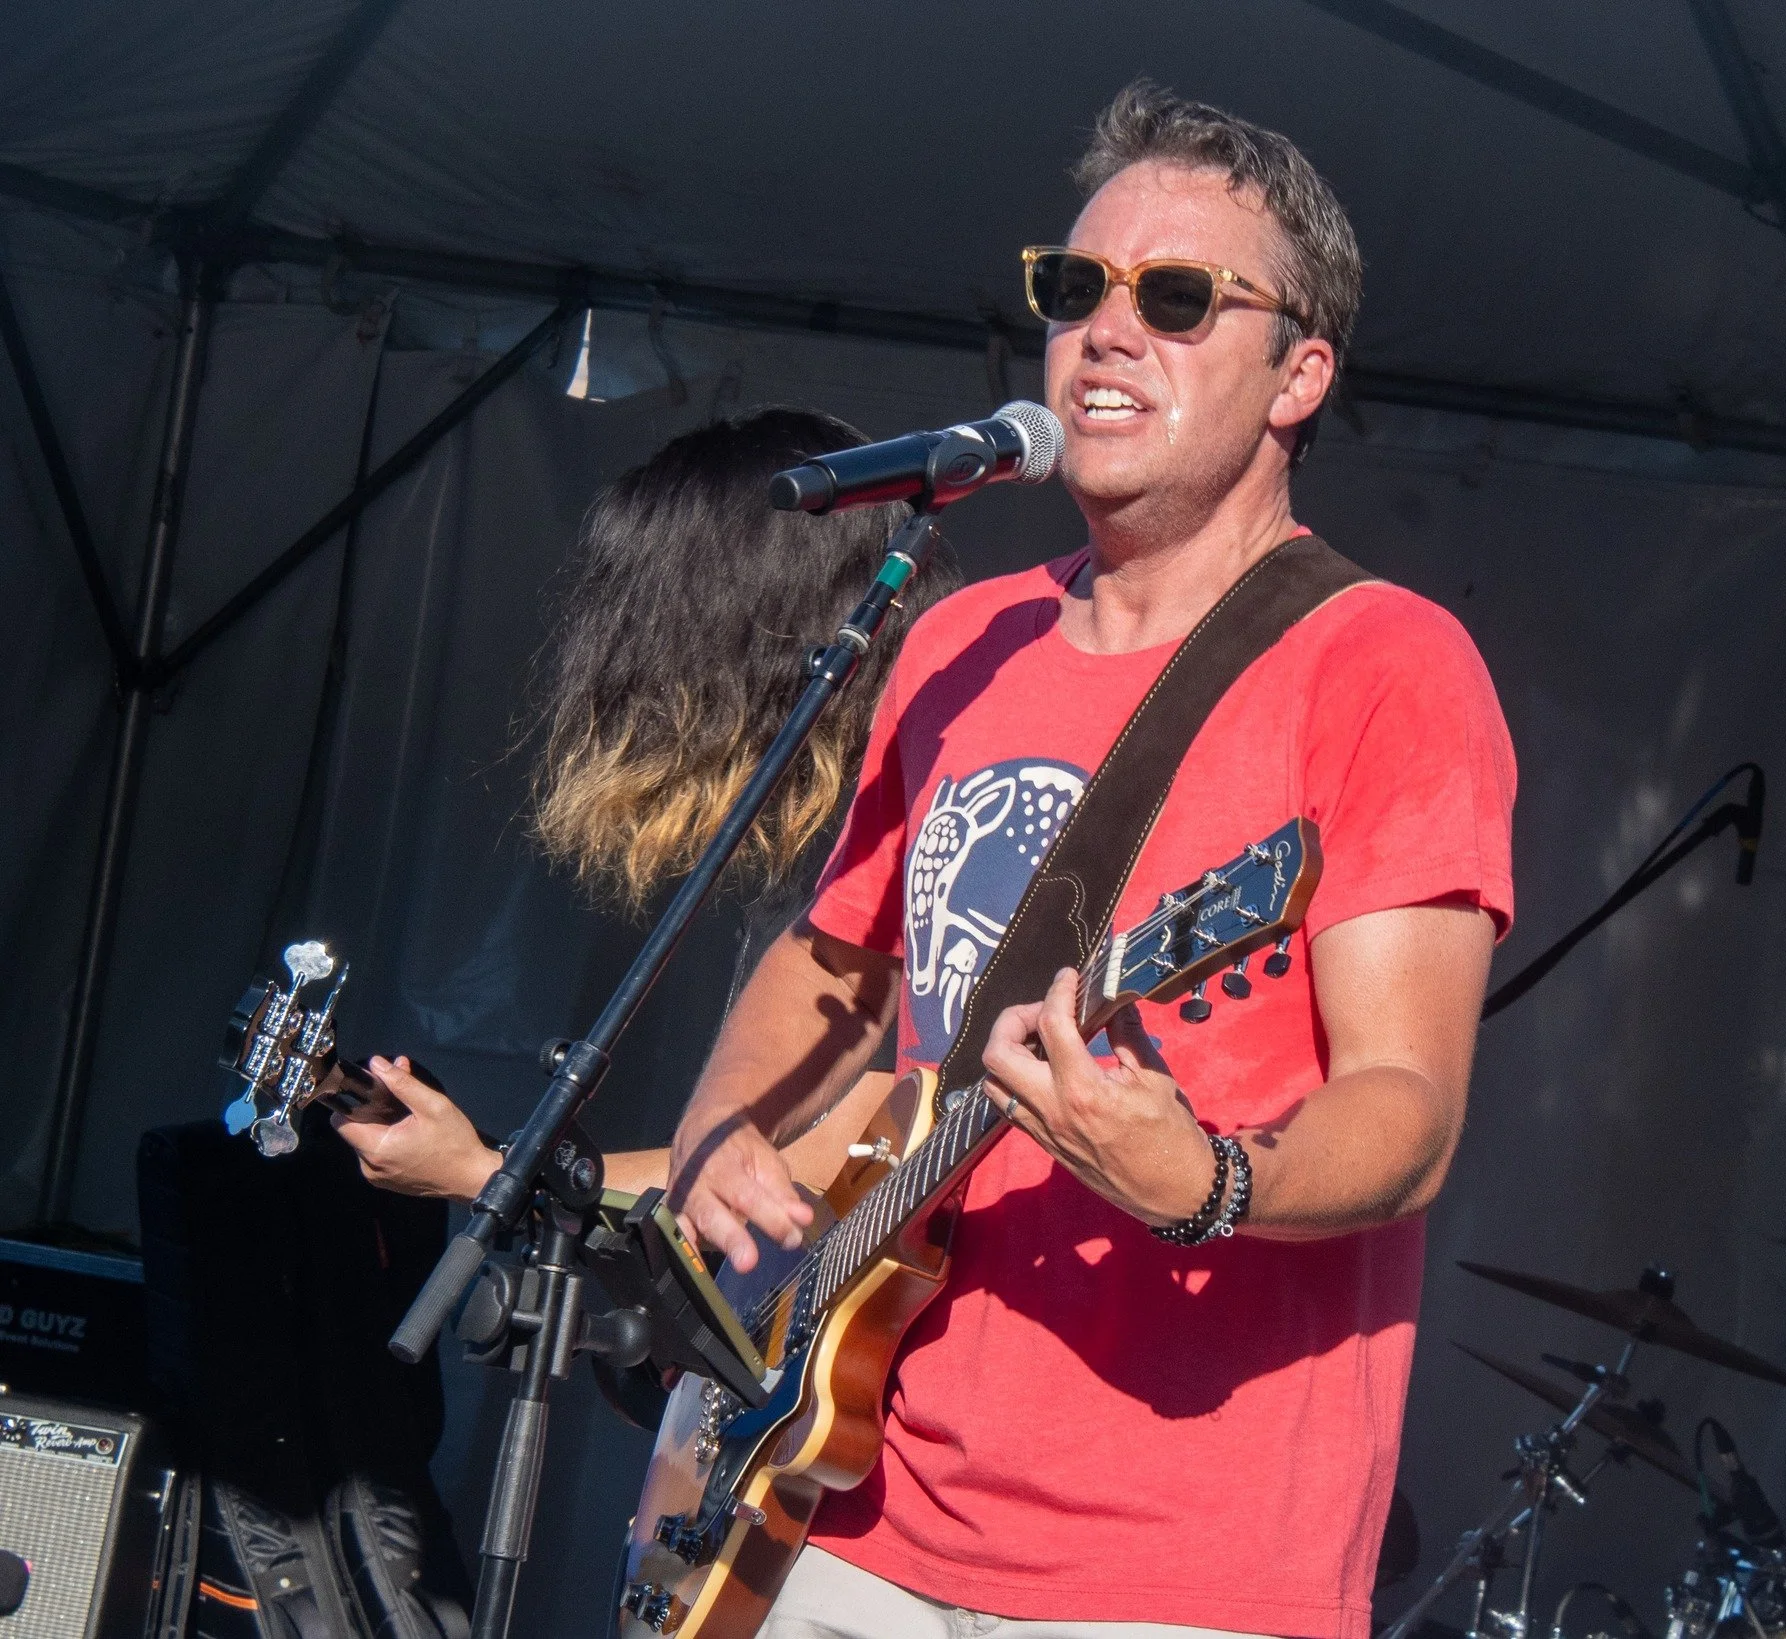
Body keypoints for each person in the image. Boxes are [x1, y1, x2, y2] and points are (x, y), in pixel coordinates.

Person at [672, 83, 1516, 1639]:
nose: (1108, 331)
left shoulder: (1387, 660)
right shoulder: (955, 639)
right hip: (846, 1500)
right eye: (1077, 288)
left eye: (1182, 299)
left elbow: (1407, 1106)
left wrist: (1208, 1179)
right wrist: (724, 1126)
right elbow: (833, 957)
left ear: (1298, 374)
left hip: (1180, 1565)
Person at [333, 406, 958, 1203]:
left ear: (738, 620)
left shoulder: (904, 823)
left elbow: (851, 1154)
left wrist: (483, 1175)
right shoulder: (807, 826)